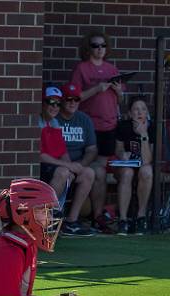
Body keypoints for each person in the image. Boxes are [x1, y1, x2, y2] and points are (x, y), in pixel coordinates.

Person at [70, 31, 124, 232]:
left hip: (109, 126)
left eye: (103, 45)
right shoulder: (82, 68)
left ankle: (98, 216)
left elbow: (120, 101)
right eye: (95, 45)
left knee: (101, 172)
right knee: (95, 171)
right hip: (90, 127)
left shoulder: (112, 69)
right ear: (88, 47)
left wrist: (118, 92)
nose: (99, 49)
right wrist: (96, 88)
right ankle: (92, 214)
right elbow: (74, 98)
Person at [57, 82, 114, 234]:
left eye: (76, 99)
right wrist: (70, 166)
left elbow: (91, 150)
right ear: (61, 100)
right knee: (66, 172)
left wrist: (81, 165)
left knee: (95, 171)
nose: (72, 103)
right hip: (59, 163)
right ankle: (53, 219)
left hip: (80, 162)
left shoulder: (84, 119)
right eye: (68, 99)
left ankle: (85, 219)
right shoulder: (54, 118)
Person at [38, 86, 95, 236]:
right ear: (42, 103)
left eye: (57, 103)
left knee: (88, 172)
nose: (54, 107)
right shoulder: (38, 122)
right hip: (38, 167)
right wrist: (68, 166)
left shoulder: (55, 123)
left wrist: (73, 168)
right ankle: (45, 219)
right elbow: (40, 155)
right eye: (51, 102)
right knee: (63, 172)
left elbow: (62, 152)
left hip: (55, 166)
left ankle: (71, 222)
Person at [113, 96, 153, 235]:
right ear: (130, 113)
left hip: (143, 165)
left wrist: (143, 134)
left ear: (147, 113)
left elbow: (147, 159)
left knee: (147, 171)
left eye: (143, 109)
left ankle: (141, 217)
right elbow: (118, 149)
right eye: (136, 109)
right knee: (127, 173)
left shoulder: (152, 127)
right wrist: (122, 154)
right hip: (126, 166)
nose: (140, 112)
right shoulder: (123, 126)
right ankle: (123, 220)